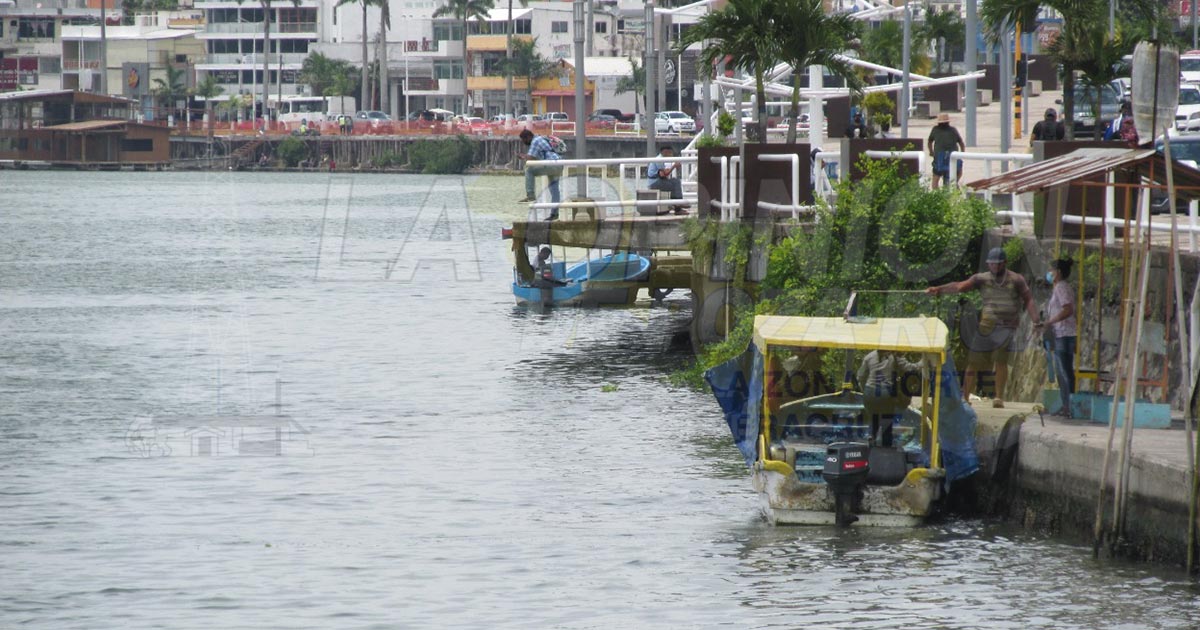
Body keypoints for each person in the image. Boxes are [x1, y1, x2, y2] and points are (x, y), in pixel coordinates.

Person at [926, 247, 1041, 408]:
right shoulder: (982, 278)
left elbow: (1028, 299)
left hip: (1006, 327)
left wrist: (1035, 320)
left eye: (997, 264)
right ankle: (965, 397)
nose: (994, 267)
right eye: (991, 264)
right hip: (986, 326)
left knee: (1001, 362)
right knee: (973, 363)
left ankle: (998, 397)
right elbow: (960, 286)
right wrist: (938, 289)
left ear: (1004, 263)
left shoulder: (1016, 279)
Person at [857, 350, 923, 447]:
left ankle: (871, 439)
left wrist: (865, 390)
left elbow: (860, 376)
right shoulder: (894, 356)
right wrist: (923, 361)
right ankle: (886, 448)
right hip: (885, 393)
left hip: (870, 393)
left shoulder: (869, 356)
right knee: (886, 421)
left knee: (873, 417)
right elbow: (910, 368)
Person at [1039, 258, 1077, 417]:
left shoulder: (1061, 288)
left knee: (1064, 371)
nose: (1049, 273)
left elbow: (1068, 309)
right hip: (1063, 333)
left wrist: (1050, 322)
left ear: (1058, 272)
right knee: (1065, 369)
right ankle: (1067, 404)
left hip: (1064, 333)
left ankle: (1068, 405)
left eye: (1051, 270)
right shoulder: (1059, 288)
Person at [517, 129, 562, 220]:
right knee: (554, 190)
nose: (524, 142)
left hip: (551, 164)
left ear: (528, 137)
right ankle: (554, 214)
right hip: (558, 164)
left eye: (524, 140)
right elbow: (537, 157)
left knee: (529, 170)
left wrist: (523, 156)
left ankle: (530, 196)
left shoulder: (535, 141)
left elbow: (530, 158)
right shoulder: (541, 138)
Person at [928, 113, 965, 189]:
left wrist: (931, 152)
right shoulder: (952, 130)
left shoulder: (935, 129)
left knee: (936, 177)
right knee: (958, 172)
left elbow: (929, 141)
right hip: (951, 156)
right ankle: (954, 183)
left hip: (941, 157)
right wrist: (962, 153)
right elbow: (961, 142)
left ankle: (936, 195)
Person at [648, 145, 687, 214]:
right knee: (675, 183)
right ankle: (678, 205)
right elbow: (664, 174)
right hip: (655, 182)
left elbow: (663, 174)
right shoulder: (659, 159)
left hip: (656, 181)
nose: (671, 155)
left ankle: (676, 205)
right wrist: (674, 166)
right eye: (670, 153)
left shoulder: (660, 159)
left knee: (675, 182)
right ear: (665, 152)